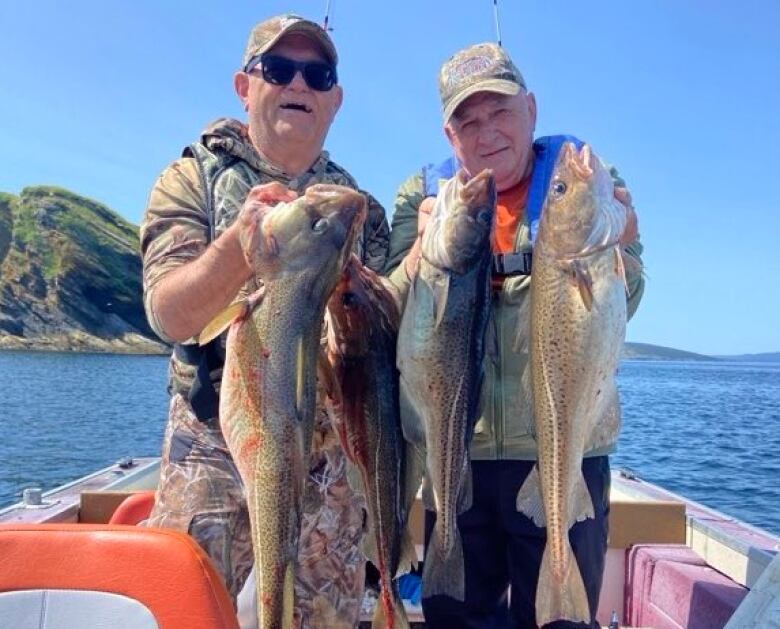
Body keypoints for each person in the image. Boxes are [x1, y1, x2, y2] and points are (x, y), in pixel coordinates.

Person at [139, 14, 389, 628]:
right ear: (244, 87)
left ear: (335, 100)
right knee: (194, 611)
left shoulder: (359, 214)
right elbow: (168, 313)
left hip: (325, 455)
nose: (298, 82)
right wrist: (235, 252)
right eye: (277, 69)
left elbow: (384, 347)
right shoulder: (191, 178)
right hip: (211, 445)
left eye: (317, 73)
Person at [385, 43, 644, 628]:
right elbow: (387, 312)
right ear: (449, 135)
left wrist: (619, 245)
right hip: (459, 456)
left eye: (500, 111)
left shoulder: (581, 179)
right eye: (467, 121)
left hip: (565, 451)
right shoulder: (422, 198)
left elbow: (628, 300)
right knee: (456, 615)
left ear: (532, 108)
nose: (486, 133)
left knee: (558, 619)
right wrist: (419, 261)